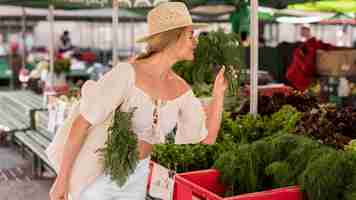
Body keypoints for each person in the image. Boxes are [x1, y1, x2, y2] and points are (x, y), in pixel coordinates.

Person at [49, 2, 228, 200]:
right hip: (100, 174)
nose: (195, 42)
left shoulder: (181, 89)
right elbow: (81, 124)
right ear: (173, 38)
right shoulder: (127, 74)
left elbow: (207, 138)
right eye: (190, 36)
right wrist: (62, 179)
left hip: (138, 176)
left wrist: (218, 94)